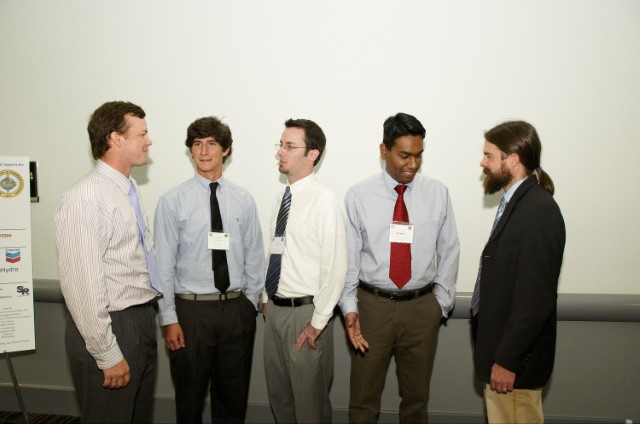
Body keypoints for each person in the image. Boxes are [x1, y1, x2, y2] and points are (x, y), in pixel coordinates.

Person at [338, 112, 460, 423]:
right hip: (372, 308)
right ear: (384, 150)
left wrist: (440, 304)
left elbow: (449, 249)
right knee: (363, 400)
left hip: (421, 308)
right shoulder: (359, 196)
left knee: (417, 402)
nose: (413, 164)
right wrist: (350, 308)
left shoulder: (438, 193)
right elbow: (349, 259)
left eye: (419, 155)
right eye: (404, 155)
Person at [54, 101, 161, 423]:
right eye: (141, 134)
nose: (149, 141)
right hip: (112, 326)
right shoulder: (85, 198)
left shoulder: (126, 189)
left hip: (139, 318)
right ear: (115, 138)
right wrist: (106, 353)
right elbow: (82, 286)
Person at [154, 116, 265, 423]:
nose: (204, 151)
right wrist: (169, 318)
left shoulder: (244, 199)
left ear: (225, 150)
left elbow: (255, 255)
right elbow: (163, 264)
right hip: (191, 313)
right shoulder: (172, 201)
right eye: (197, 144)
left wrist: (249, 305)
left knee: (232, 400)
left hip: (235, 311)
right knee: (189, 399)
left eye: (212, 144)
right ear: (190, 150)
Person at [470, 120, 566, 423]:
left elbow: (535, 299)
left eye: (489, 155)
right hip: (502, 358)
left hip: (514, 368)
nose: (483, 163)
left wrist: (507, 360)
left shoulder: (538, 211)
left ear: (513, 159)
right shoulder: (518, 205)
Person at [262, 118, 348, 423]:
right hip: (275, 311)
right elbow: (276, 249)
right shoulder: (281, 197)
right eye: (280, 145)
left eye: (289, 146)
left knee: (309, 405)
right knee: (280, 399)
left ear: (312, 154)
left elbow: (336, 266)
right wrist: (266, 297)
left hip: (306, 315)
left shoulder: (325, 200)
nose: (280, 152)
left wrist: (317, 322)